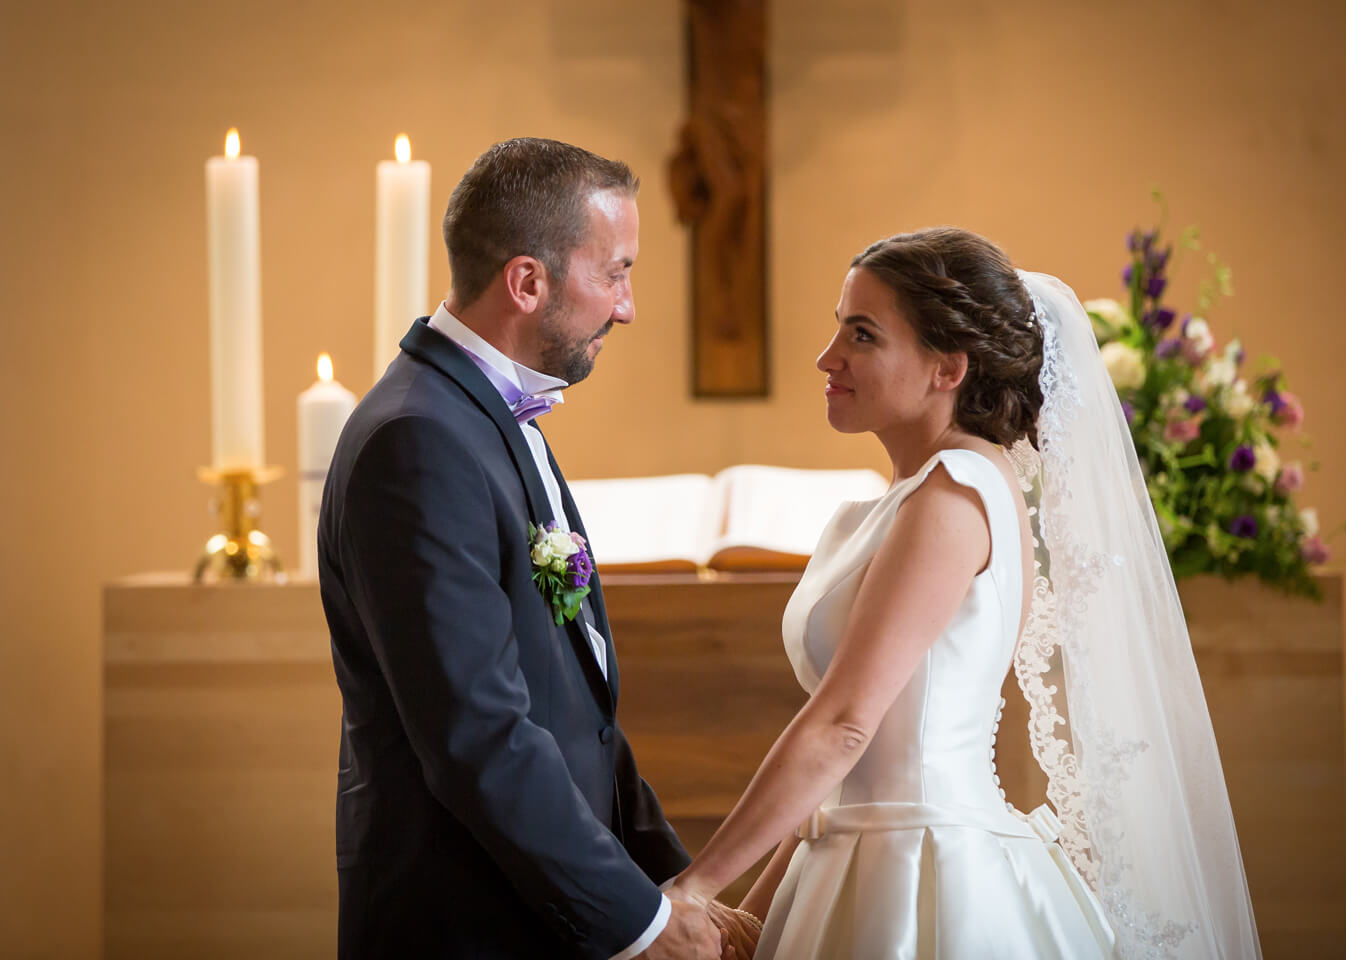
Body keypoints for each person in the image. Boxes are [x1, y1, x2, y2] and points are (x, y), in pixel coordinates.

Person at [667, 228, 1262, 958]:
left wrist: (693, 889)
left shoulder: (955, 496)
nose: (828, 358)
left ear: (948, 366)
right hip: (854, 855)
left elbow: (846, 726)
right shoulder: (906, 500)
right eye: (837, 329)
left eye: (862, 334)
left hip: (927, 875)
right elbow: (853, 763)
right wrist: (755, 919)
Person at [318, 138, 728, 959]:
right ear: (527, 281)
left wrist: (677, 888)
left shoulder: (480, 415)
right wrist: (643, 927)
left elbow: (578, 716)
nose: (628, 305)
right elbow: (478, 732)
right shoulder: (419, 439)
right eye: (614, 272)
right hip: (465, 924)